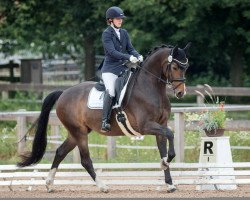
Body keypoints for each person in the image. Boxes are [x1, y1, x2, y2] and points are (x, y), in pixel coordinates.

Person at [100, 6, 143, 132]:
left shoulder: (124, 33)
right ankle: (105, 121)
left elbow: (130, 48)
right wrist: (129, 57)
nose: (120, 21)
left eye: (121, 19)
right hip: (110, 70)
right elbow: (112, 52)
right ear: (110, 20)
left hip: (123, 68)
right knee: (112, 91)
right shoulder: (106, 34)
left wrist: (137, 55)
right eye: (118, 19)